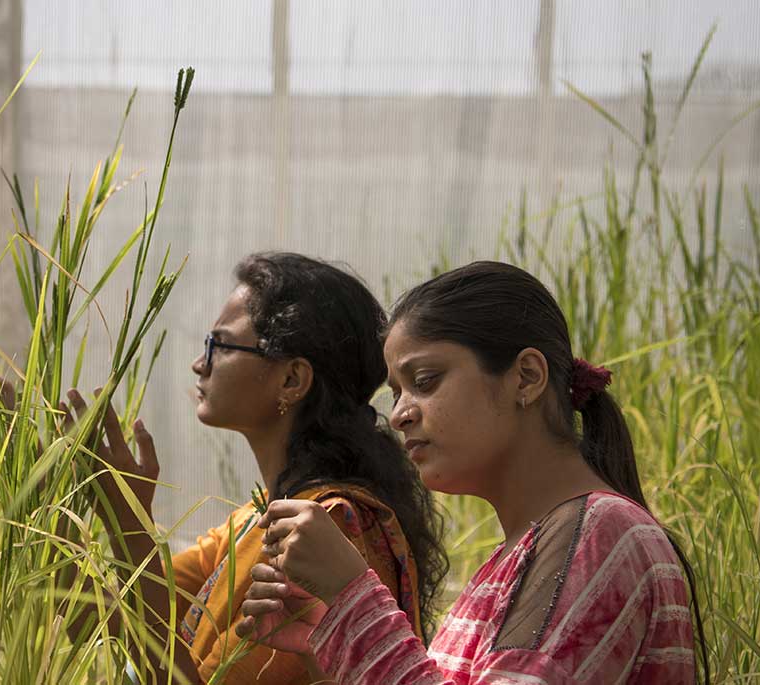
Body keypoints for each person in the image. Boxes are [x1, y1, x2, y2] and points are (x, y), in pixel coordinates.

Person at [0, 252, 444, 683]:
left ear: (292, 378)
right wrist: (29, 472)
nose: (199, 363)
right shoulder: (250, 524)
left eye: (221, 345)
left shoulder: (327, 528)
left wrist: (126, 518)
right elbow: (113, 625)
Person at [238, 260, 705, 684]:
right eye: (395, 393)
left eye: (424, 382)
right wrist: (330, 639)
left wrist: (352, 595)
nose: (400, 414)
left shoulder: (600, 534)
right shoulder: (524, 554)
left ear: (525, 377)